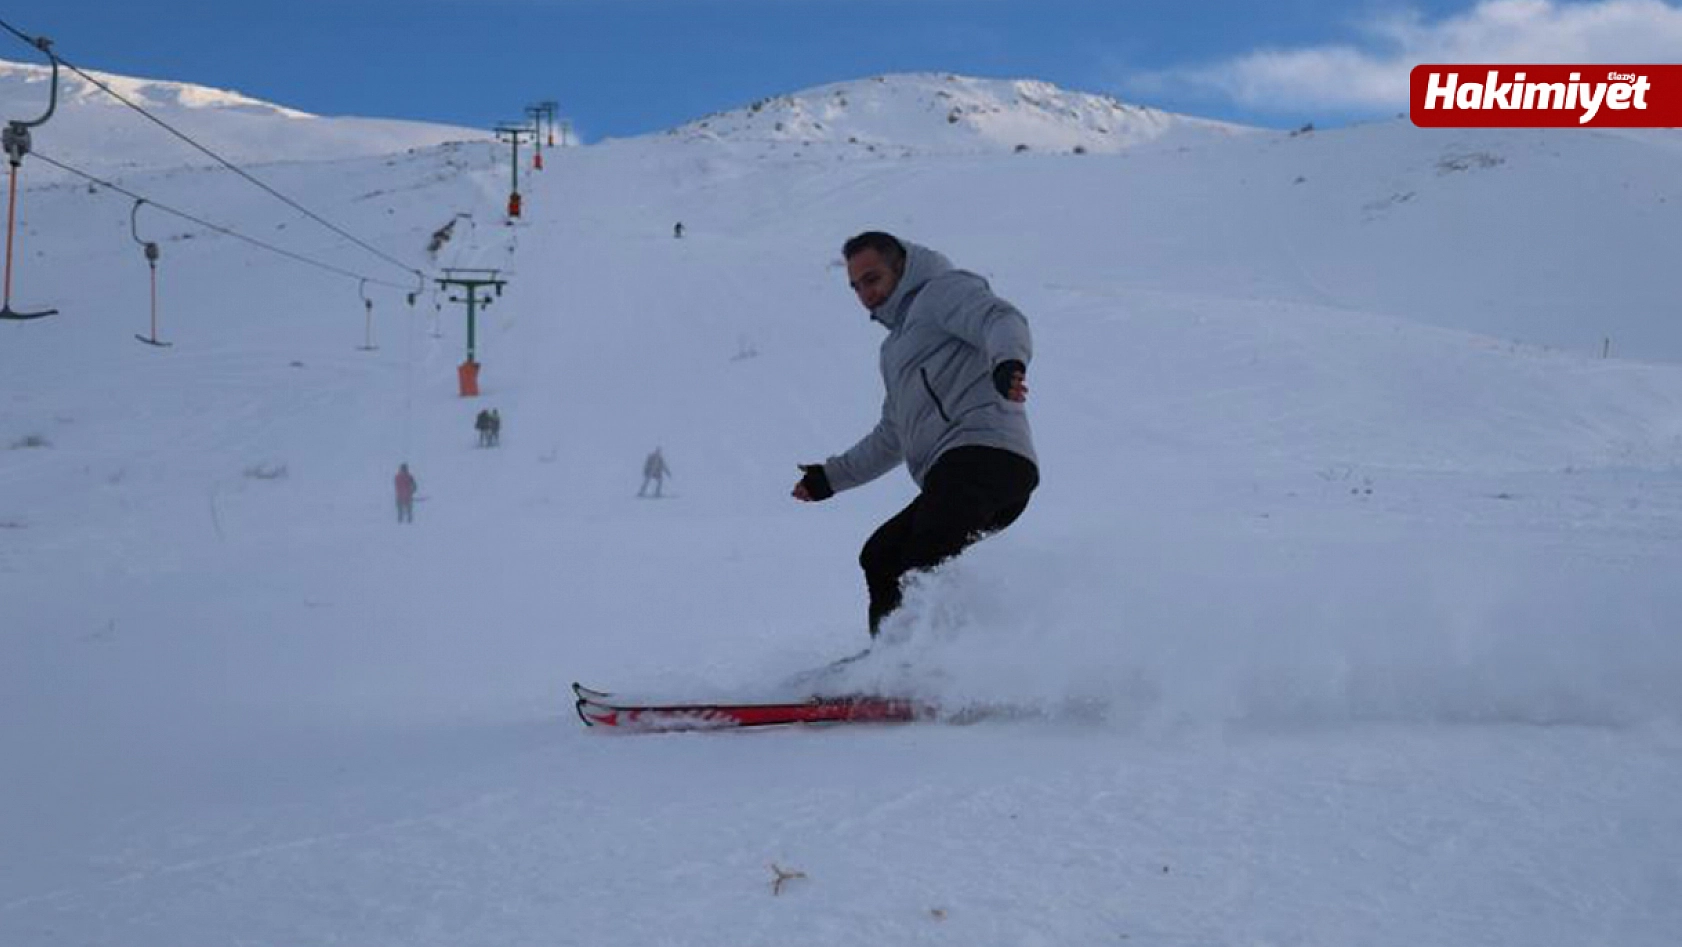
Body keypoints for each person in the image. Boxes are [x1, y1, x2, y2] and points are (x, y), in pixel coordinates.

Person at [792, 231, 1038, 638]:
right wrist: (831, 477)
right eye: (856, 286)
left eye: (873, 279)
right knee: (882, 556)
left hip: (986, 456)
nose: (865, 294)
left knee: (923, 558)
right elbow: (893, 434)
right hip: (956, 473)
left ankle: (929, 669)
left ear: (902, 268)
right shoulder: (895, 349)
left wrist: (1007, 360)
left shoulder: (942, 291)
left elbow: (1000, 319)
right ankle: (893, 668)